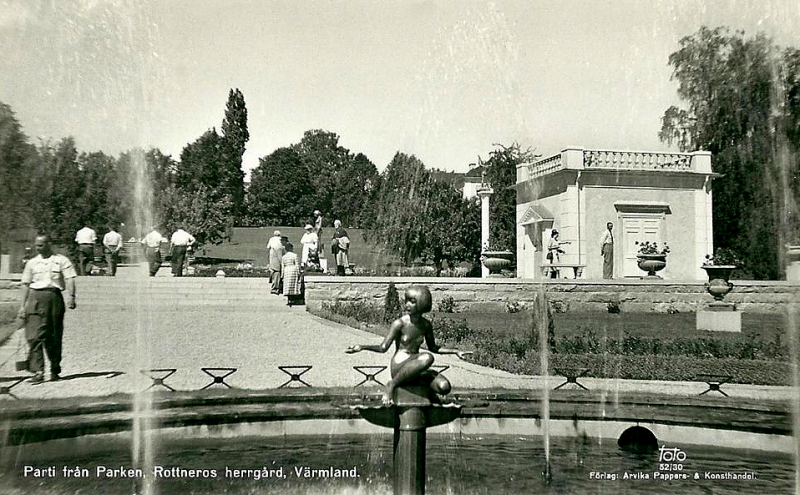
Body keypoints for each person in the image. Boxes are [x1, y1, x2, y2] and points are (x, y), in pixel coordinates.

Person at [345, 285, 472, 405]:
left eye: (412, 301)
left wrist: (455, 351)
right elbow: (383, 348)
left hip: (416, 366)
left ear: (422, 302)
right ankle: (392, 385)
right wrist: (361, 347)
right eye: (406, 301)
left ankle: (427, 393)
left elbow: (433, 348)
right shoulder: (399, 323)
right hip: (400, 366)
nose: (407, 305)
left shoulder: (426, 325)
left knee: (444, 387)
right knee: (427, 358)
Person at [17, 234, 77, 383]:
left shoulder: (61, 260)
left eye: (41, 245)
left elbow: (70, 278)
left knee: (53, 336)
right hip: (35, 298)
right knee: (33, 336)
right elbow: (25, 284)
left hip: (54, 298)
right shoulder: (32, 263)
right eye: (37, 245)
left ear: (49, 244)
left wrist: (72, 296)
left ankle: (54, 368)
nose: (38, 248)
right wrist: (22, 306)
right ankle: (38, 371)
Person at [267, 230, 285, 294]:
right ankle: (277, 284)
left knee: (273, 267)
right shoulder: (281, 239)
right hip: (279, 253)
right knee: (278, 269)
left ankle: (272, 280)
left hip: (273, 252)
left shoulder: (271, 239)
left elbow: (268, 246)